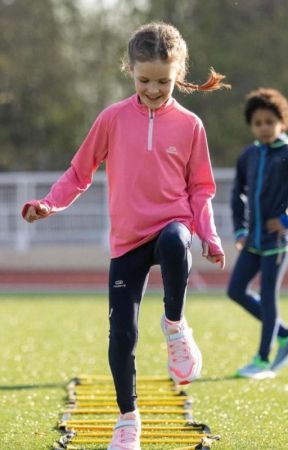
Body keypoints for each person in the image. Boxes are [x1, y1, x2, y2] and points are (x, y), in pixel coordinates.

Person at [22, 22, 228, 450]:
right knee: (123, 337)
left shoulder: (191, 125)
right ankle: (128, 419)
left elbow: (201, 189)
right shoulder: (112, 119)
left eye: (164, 82)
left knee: (176, 241)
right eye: (144, 80)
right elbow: (80, 172)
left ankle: (175, 326)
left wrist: (208, 235)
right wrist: (49, 204)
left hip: (171, 223)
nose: (154, 89)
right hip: (127, 240)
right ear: (130, 71)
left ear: (179, 73)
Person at [227, 88, 288, 380]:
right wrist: (240, 229)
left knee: (267, 297)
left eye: (269, 121)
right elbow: (236, 193)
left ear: (281, 122)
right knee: (235, 290)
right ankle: (285, 334)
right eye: (258, 122)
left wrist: (285, 220)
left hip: (277, 243)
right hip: (252, 240)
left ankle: (262, 360)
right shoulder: (248, 155)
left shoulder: (287, 154)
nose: (264, 127)